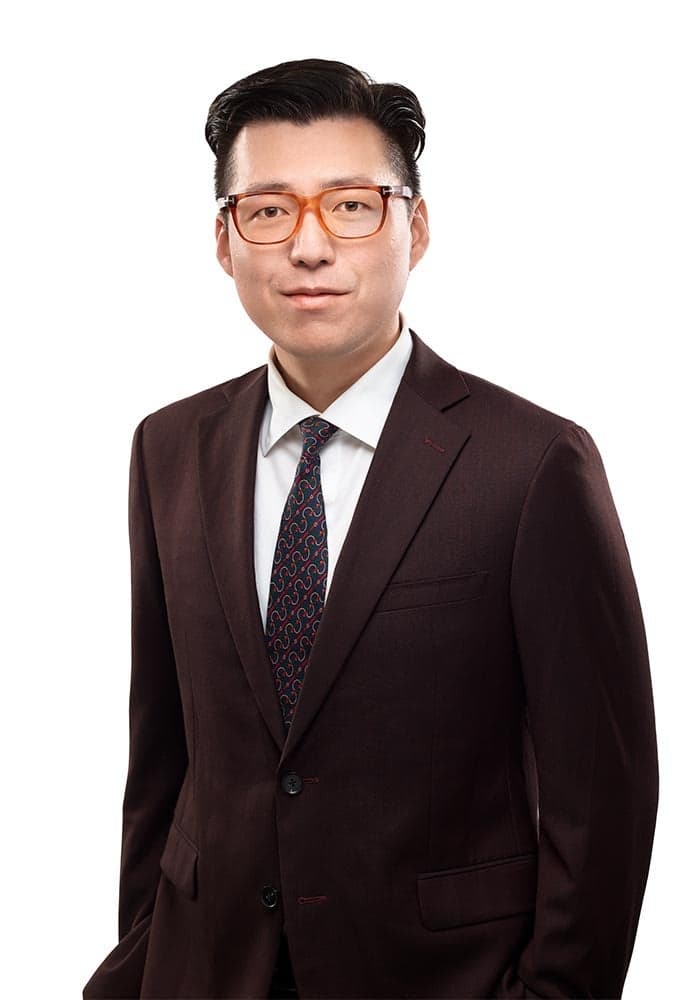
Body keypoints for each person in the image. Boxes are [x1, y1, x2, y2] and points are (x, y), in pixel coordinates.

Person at [82, 58, 658, 1000]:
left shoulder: (532, 464)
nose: (309, 245)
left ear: (414, 228)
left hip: (439, 976)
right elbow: (163, 753)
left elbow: (605, 796)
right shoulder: (169, 446)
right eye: (269, 210)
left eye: (352, 205)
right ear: (225, 240)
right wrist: (139, 959)